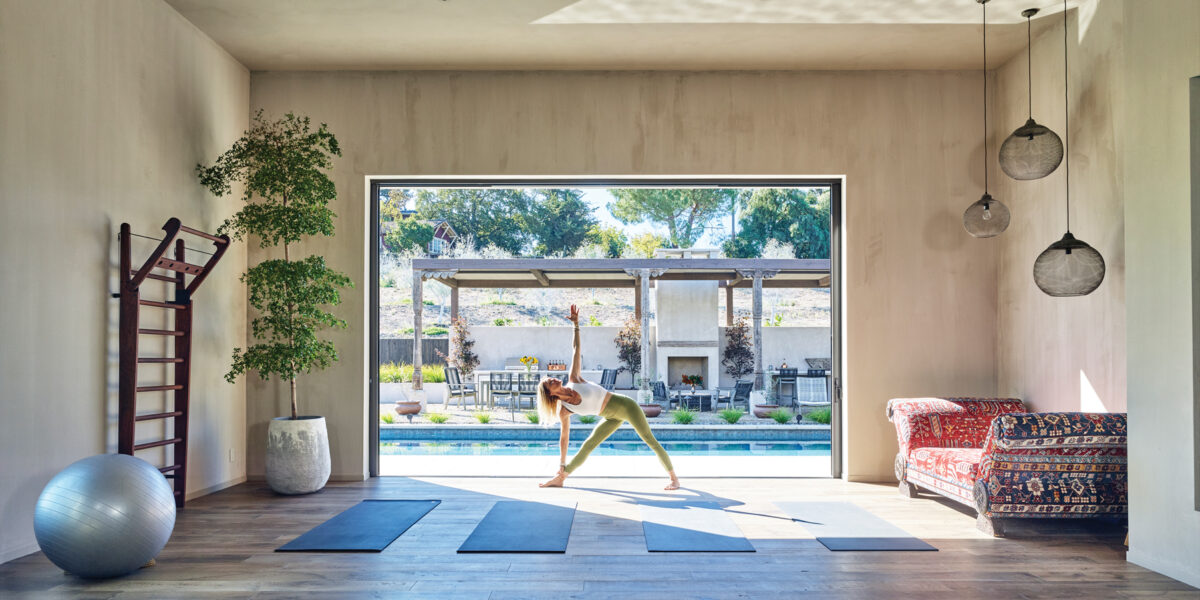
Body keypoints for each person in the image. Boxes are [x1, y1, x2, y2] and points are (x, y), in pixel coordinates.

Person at [536, 304, 680, 490]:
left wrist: (576, 325)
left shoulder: (574, 379)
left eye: (551, 378)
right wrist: (561, 464)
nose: (554, 379)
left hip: (627, 406)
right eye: (550, 382)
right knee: (589, 444)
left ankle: (674, 479)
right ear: (550, 393)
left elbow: (576, 350)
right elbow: (564, 438)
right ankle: (561, 477)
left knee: (649, 440)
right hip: (611, 417)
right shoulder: (565, 410)